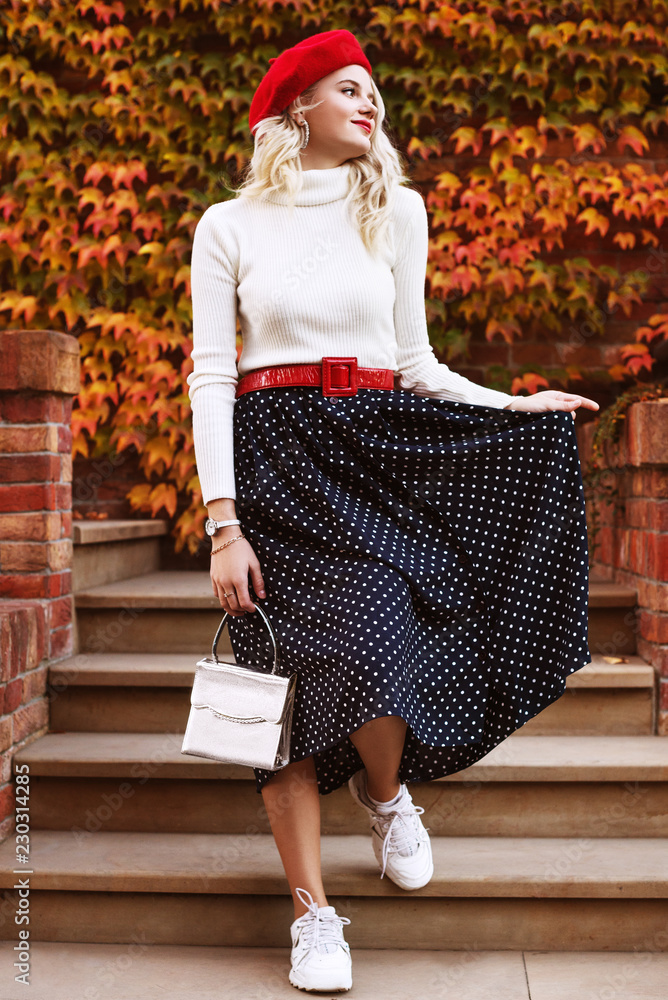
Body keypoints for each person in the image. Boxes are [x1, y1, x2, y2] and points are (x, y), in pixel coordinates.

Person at [187, 28, 599, 994]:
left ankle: (385, 793)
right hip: (276, 460)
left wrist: (517, 407)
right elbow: (211, 376)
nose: (371, 105)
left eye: (376, 93)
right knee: (281, 688)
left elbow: (416, 362)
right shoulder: (227, 225)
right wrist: (224, 522)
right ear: (296, 111)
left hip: (377, 451)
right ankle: (313, 918)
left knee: (378, 632)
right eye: (348, 90)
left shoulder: (397, 211)